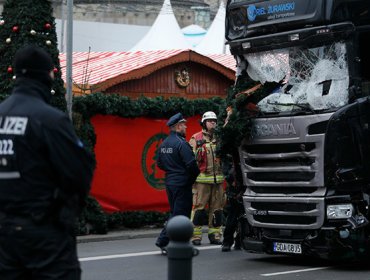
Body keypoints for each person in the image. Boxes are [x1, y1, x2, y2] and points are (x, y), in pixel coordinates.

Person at [0, 45, 95, 279]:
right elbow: (79, 172)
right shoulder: (49, 120)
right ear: (47, 75)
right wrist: (66, 212)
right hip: (44, 232)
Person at [155, 112, 200, 251]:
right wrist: (190, 179)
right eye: (184, 125)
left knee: (175, 211)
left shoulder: (164, 143)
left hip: (170, 182)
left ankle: (173, 242)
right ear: (178, 126)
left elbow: (159, 164)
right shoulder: (181, 143)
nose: (186, 127)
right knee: (180, 215)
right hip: (182, 183)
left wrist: (172, 170)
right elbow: (192, 165)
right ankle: (164, 241)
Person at [189, 111, 224, 246]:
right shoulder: (195, 138)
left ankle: (215, 235)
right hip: (201, 182)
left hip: (218, 181)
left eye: (214, 121)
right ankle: (196, 236)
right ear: (204, 123)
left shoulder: (220, 138)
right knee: (199, 209)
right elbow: (190, 161)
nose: (213, 123)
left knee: (217, 209)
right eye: (210, 121)